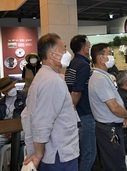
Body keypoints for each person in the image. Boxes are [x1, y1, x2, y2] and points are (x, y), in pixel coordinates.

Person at [21, 33, 79, 170]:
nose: (67, 53)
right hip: (59, 154)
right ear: (53, 54)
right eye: (64, 49)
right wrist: (38, 154)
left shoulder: (44, 76)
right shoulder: (52, 81)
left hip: (56, 151)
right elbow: (42, 122)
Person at [88, 43, 127, 171]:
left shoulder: (103, 76)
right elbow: (114, 107)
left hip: (110, 128)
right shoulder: (99, 79)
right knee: (116, 166)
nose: (112, 56)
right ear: (101, 58)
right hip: (109, 130)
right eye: (109, 53)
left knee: (113, 164)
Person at [65, 35, 96, 171]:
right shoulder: (83, 65)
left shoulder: (74, 63)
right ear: (84, 48)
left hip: (78, 113)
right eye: (88, 45)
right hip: (84, 114)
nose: (89, 48)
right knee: (89, 154)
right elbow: (76, 92)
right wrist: (71, 111)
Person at [0, 77, 26, 149]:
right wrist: (5, 131)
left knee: (21, 137)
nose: (12, 89)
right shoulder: (1, 102)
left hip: (21, 128)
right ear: (4, 92)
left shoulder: (23, 96)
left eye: (12, 87)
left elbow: (27, 115)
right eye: (9, 89)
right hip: (6, 131)